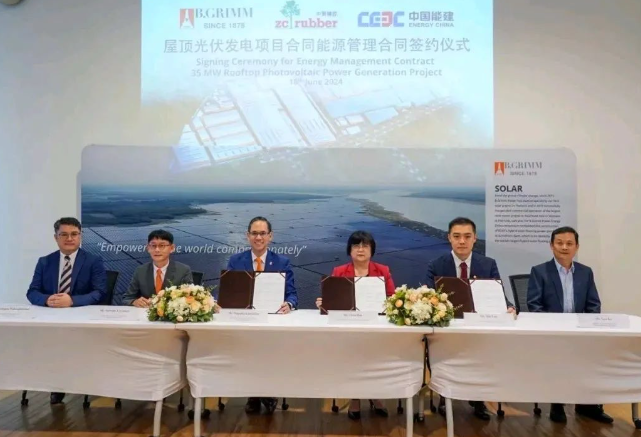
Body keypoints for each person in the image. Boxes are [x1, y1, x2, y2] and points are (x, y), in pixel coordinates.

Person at [424, 217, 515, 421]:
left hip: (479, 326)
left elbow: (498, 294)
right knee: (442, 351)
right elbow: (429, 298)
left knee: (481, 352)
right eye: (457, 236)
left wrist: (509, 306)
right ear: (449, 238)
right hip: (448, 327)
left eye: (467, 236)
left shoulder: (488, 264)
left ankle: (478, 398)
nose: (462, 241)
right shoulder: (436, 265)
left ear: (475, 239)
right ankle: (445, 395)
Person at [527, 226, 613, 424]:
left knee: (596, 354)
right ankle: (557, 403)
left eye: (569, 243)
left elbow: (593, 305)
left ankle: (587, 405)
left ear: (577, 247)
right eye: (559, 243)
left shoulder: (585, 272)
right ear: (551, 246)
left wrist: (589, 328)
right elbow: (534, 306)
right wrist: (556, 327)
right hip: (552, 332)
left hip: (580, 331)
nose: (564, 247)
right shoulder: (540, 271)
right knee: (560, 353)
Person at [26, 217, 107, 404]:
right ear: (56, 237)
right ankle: (57, 384)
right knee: (51, 347)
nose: (69, 238)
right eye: (64, 234)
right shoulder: (45, 262)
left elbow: (100, 292)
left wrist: (72, 301)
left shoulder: (93, 261)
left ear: (80, 236)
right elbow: (32, 292)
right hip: (51, 319)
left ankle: (82, 381)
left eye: (74, 234)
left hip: (82, 318)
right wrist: (47, 300)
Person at [315, 230, 393, 420]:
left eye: (365, 245)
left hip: (376, 328)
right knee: (353, 352)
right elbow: (332, 301)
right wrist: (324, 302)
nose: (360, 249)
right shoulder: (339, 272)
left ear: (372, 249)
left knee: (376, 355)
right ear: (349, 250)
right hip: (348, 329)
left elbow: (392, 298)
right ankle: (355, 397)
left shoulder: (383, 271)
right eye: (356, 245)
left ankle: (374, 395)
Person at [227, 216, 298, 414]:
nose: (258, 237)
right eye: (254, 233)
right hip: (245, 321)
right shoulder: (235, 261)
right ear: (247, 236)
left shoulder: (282, 262)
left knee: (269, 351)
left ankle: (268, 391)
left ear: (270, 236)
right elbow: (227, 291)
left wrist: (289, 304)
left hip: (272, 321)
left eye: (262, 233)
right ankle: (254, 394)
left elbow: (292, 294)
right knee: (248, 352)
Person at [121, 229, 193, 307]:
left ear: (172, 248)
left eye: (162, 246)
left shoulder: (183, 270)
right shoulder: (140, 270)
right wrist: (134, 301)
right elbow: (127, 298)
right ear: (148, 248)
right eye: (153, 245)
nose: (157, 250)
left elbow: (190, 299)